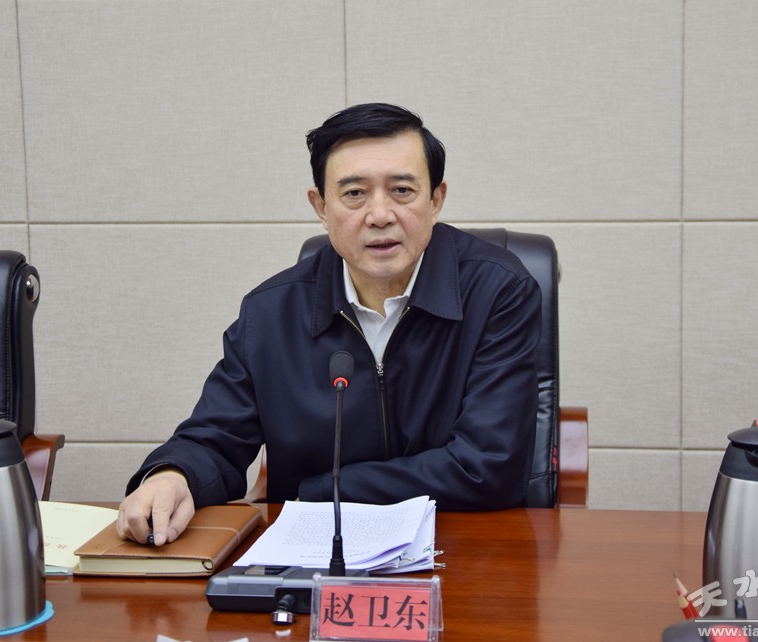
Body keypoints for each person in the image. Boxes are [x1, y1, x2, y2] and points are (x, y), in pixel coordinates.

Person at [117, 103, 541, 546]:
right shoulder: (271, 313)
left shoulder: (497, 292)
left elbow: (488, 466)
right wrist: (172, 475)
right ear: (320, 206)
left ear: (435, 199)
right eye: (354, 194)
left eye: (402, 190)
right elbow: (215, 436)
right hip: (314, 558)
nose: (380, 215)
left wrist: (322, 491)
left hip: (469, 548)